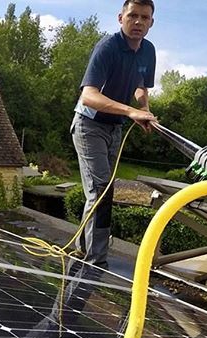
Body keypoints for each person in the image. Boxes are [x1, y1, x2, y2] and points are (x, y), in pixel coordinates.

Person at [71, 0, 157, 268]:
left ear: (151, 23)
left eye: (144, 17)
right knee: (101, 191)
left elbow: (141, 85)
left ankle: (83, 248)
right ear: (121, 18)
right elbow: (89, 95)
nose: (138, 22)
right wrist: (131, 112)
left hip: (115, 127)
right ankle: (96, 261)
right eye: (133, 16)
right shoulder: (107, 47)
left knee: (102, 191)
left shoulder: (148, 51)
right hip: (89, 124)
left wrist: (144, 109)